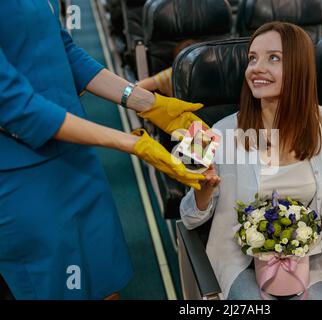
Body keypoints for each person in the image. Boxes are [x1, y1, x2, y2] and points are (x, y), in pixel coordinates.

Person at [0, 1, 206, 299]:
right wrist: (131, 143)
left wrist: (148, 103)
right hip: (24, 176)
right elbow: (15, 106)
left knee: (105, 281)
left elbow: (64, 50)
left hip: (76, 155)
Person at [180, 22, 322, 300]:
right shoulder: (215, 134)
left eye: (273, 58)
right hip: (240, 261)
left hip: (303, 259)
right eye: (252, 59)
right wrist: (202, 194)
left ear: (299, 68)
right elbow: (188, 219)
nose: (256, 68)